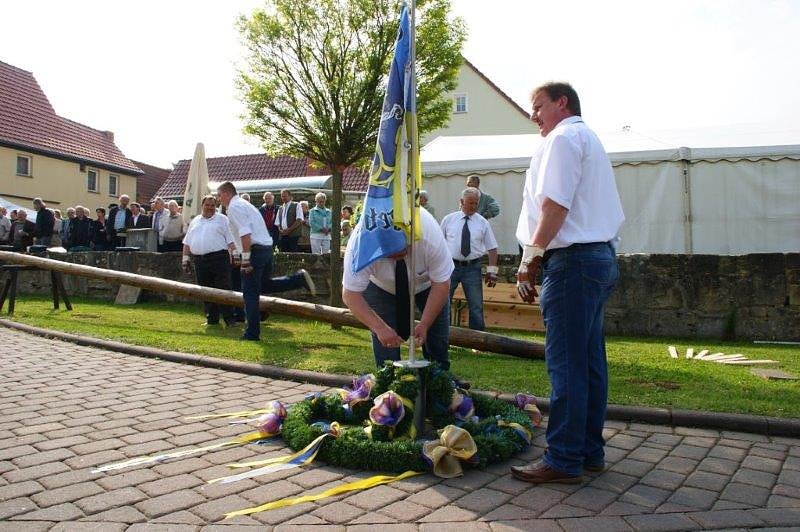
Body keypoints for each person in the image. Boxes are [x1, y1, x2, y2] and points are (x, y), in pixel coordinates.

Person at [511, 82, 624, 485]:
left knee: (567, 364)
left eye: (538, 106)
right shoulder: (587, 138)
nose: (533, 115)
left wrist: (531, 256)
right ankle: (588, 450)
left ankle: (563, 458)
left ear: (562, 103)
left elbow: (554, 205)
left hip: (572, 262)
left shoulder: (562, 139)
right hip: (597, 258)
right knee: (590, 362)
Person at [342, 207, 454, 370]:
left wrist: (424, 324)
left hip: (428, 285)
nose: (395, 256)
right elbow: (350, 295)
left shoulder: (429, 236)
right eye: (388, 253)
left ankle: (439, 384)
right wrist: (379, 328)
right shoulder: (359, 247)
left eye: (400, 251)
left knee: (437, 340)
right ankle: (389, 387)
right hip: (380, 286)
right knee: (386, 349)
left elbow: (442, 284)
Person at [216, 181, 316, 341]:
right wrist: (237, 254)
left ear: (227, 194)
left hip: (255, 251)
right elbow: (243, 233)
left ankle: (252, 334)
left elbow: (245, 233)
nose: (218, 198)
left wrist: (246, 260)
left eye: (219, 195)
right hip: (266, 249)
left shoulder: (234, 207)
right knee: (263, 285)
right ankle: (298, 279)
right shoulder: (245, 204)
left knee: (250, 294)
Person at [440, 187, 499, 331]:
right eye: (471, 203)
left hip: (473, 267)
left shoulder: (483, 222)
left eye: (476, 203)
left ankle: (477, 339)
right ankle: (442, 334)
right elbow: (439, 244)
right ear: (461, 202)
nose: (474, 206)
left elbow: (492, 248)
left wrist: (492, 272)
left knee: (476, 304)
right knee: (442, 302)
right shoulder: (448, 220)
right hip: (450, 266)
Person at [182, 195, 237, 327]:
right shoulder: (195, 220)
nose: (210, 207)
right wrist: (185, 259)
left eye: (212, 205)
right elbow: (187, 242)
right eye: (207, 205)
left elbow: (230, 240)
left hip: (219, 258)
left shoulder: (223, 219)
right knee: (205, 290)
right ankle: (212, 319)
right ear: (202, 206)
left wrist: (236, 255)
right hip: (200, 260)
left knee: (224, 289)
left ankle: (230, 320)